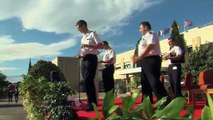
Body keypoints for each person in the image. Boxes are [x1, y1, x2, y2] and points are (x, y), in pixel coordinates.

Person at [132, 21, 168, 103]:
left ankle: (164, 101)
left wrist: (140, 57)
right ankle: (146, 102)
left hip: (151, 59)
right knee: (145, 82)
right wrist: (137, 57)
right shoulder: (143, 38)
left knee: (153, 81)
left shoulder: (151, 34)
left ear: (145, 27)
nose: (139, 30)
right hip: (145, 61)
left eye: (140, 28)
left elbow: (150, 46)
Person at [75, 20, 103, 111]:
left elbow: (100, 46)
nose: (78, 30)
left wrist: (88, 45)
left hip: (91, 58)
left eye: (78, 28)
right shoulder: (82, 38)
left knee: (88, 80)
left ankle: (92, 105)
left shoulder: (92, 34)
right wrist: (79, 55)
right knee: (86, 82)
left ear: (83, 25)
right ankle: (89, 103)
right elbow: (83, 50)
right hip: (84, 59)